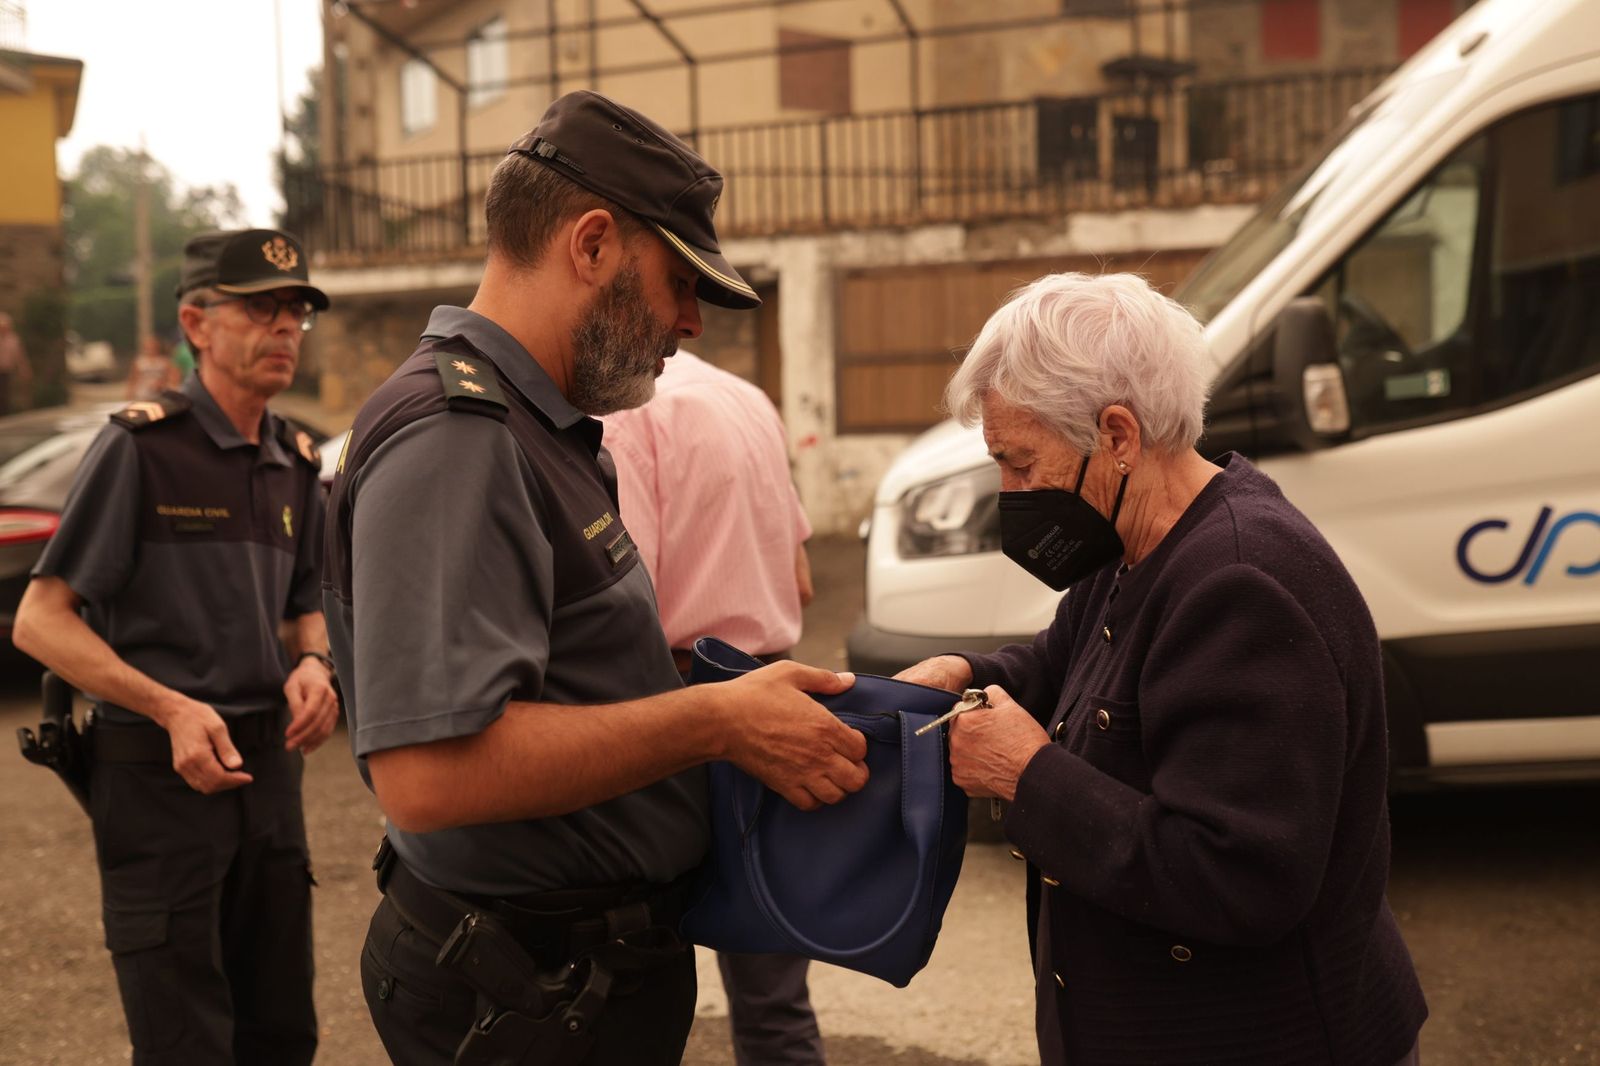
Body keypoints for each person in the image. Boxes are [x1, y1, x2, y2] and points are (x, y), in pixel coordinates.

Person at [323, 89, 869, 1066]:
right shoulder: (459, 436)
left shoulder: (544, 427)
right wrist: (718, 722)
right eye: (679, 282)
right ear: (591, 244)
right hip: (525, 990)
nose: (690, 322)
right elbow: (428, 774)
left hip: (575, 976)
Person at [895, 273, 1428, 1065]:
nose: (1010, 492)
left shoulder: (1242, 584)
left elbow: (1240, 877)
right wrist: (964, 673)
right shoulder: (1137, 545)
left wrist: (1026, 774)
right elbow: (1063, 662)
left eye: (1021, 464)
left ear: (1118, 436)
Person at [12, 228, 340, 1066]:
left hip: (268, 776)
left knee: (282, 1035)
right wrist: (168, 707)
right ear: (196, 324)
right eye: (261, 309)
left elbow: (306, 603)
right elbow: (40, 621)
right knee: (184, 1042)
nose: (286, 327)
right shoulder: (140, 448)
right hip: (159, 778)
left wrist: (314, 663)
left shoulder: (295, 459)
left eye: (296, 311)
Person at [603, 350, 825, 1066]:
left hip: (673, 700)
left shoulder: (621, 415)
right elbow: (801, 580)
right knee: (774, 999)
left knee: (631, 985)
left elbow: (620, 606)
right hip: (774, 692)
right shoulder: (747, 399)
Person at [125, 333, 181, 400]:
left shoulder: (164, 362)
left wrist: (163, 383)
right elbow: (133, 379)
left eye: (153, 346)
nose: (151, 348)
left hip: (160, 393)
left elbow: (174, 377)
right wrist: (129, 393)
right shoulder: (139, 362)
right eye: (148, 346)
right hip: (142, 394)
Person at [0, 310, 32, 415]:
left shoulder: (13, 339)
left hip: (6, 370)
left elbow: (19, 356)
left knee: (5, 393)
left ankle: (4, 414)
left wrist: (24, 369)